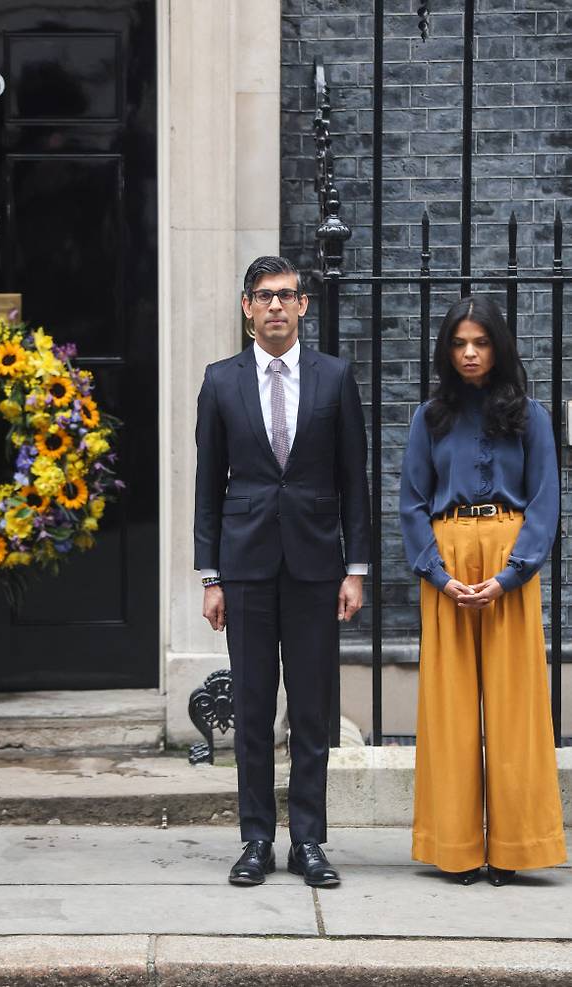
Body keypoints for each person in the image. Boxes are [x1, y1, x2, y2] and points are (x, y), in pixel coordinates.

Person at [194, 255, 370, 888]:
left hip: (317, 565)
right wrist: (210, 575)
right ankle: (255, 838)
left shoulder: (334, 378)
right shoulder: (220, 381)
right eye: (263, 296)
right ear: (247, 308)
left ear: (303, 307)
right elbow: (208, 484)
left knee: (313, 709)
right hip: (243, 566)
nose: (275, 306)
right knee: (250, 707)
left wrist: (356, 569)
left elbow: (355, 479)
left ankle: (309, 841)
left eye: (286, 296)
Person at [400, 295, 567, 886]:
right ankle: (458, 847)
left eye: (481, 342)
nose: (470, 353)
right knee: (448, 709)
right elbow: (412, 504)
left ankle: (517, 847)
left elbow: (546, 502)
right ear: (447, 351)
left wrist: (510, 573)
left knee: (515, 707)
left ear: (498, 347)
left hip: (509, 563)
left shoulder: (532, 416)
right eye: (459, 343)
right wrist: (440, 577)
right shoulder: (429, 418)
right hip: (447, 563)